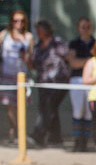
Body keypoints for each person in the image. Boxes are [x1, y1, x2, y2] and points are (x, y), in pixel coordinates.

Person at [0, 10, 33, 143]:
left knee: (21, 106)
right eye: (16, 20)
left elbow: (30, 59)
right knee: (10, 106)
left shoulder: (29, 37)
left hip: (22, 76)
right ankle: (15, 131)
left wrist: (27, 58)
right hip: (6, 75)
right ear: (11, 22)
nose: (19, 23)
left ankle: (19, 132)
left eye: (22, 21)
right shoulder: (5, 34)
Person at [29, 19, 70, 148]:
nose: (38, 33)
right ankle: (55, 138)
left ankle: (38, 136)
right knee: (50, 109)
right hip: (43, 84)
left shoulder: (58, 43)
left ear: (47, 30)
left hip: (59, 82)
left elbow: (69, 58)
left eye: (40, 30)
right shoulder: (37, 46)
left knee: (47, 108)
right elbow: (34, 65)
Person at [66, 17, 94, 152]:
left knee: (89, 112)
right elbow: (73, 63)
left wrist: (82, 62)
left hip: (92, 82)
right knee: (78, 110)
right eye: (83, 26)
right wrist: (89, 60)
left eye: (88, 26)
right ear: (78, 28)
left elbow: (77, 61)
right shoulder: (74, 43)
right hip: (77, 79)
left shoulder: (94, 43)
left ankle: (84, 142)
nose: (85, 29)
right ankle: (77, 141)